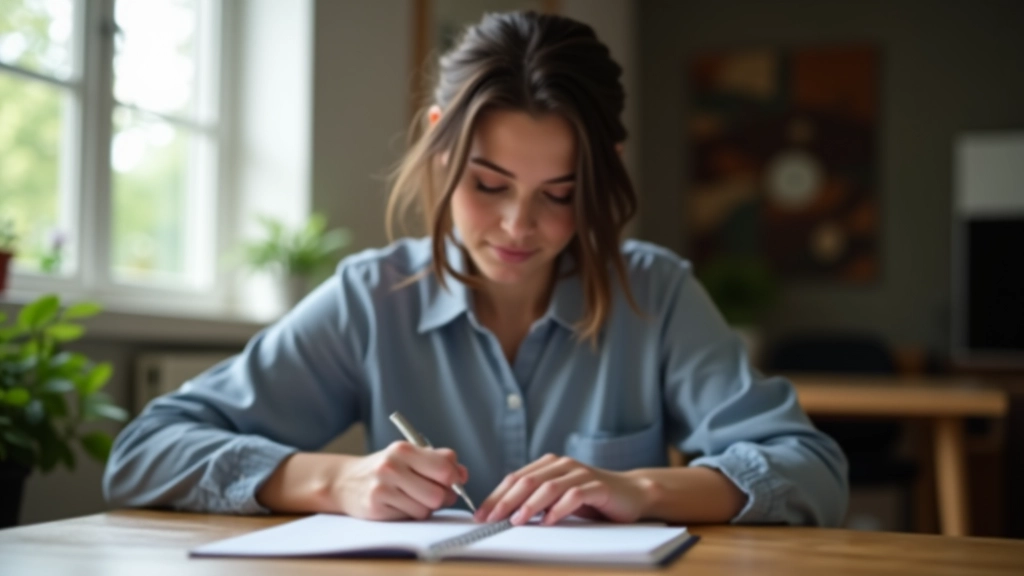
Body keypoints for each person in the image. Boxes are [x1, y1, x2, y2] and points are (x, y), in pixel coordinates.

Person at [104, 11, 848, 527]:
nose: (519, 226)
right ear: (439, 146)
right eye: (487, 185)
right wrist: (333, 480)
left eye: (561, 194)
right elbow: (143, 454)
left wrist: (642, 488)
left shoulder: (654, 293)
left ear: (603, 174)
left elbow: (813, 468)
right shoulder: (373, 298)